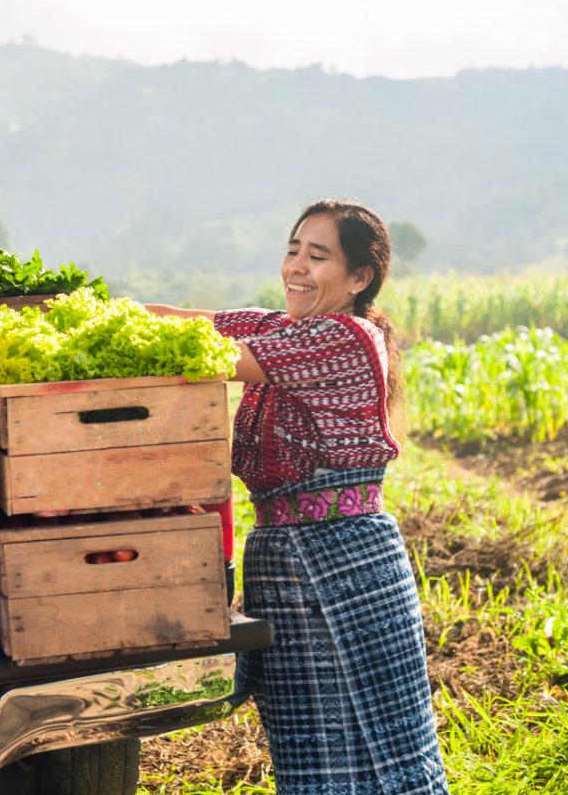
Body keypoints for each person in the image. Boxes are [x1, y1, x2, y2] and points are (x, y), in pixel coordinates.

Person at [146, 199, 449, 795]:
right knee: (309, 748)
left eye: (318, 256)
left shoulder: (344, 335)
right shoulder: (283, 327)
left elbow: (210, 354)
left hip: (343, 560)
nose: (297, 267)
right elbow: (182, 321)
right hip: (284, 553)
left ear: (359, 278)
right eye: (292, 250)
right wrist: (78, 312)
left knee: (376, 747)